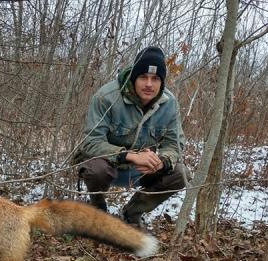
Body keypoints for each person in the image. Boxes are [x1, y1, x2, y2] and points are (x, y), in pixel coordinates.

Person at [76, 46, 190, 226]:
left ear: (162, 82)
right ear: (133, 77)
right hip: (109, 167)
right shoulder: (106, 97)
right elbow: (91, 142)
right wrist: (130, 156)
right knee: (95, 168)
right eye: (143, 77)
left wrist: (162, 161)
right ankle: (98, 209)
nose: (149, 84)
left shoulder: (170, 104)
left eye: (155, 79)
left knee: (180, 174)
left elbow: (174, 144)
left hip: (142, 170)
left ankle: (133, 212)